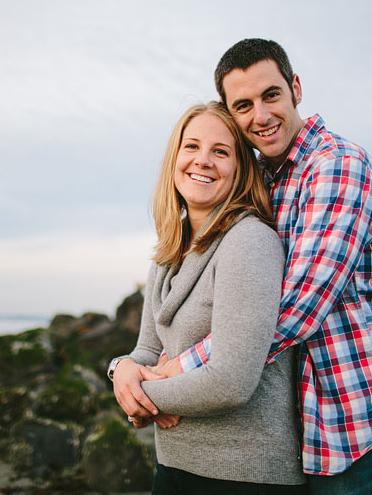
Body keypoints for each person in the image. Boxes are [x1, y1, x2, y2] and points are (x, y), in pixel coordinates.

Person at [113, 39, 372, 494]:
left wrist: (168, 374)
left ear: (295, 88)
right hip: (303, 434)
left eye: (271, 95)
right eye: (243, 104)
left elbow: (298, 304)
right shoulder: (262, 182)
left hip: (358, 423)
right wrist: (124, 368)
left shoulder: (336, 167)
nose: (260, 115)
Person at [109, 101, 307, 493]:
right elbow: (147, 350)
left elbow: (232, 381)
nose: (203, 161)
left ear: (240, 168)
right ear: (175, 158)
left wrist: (141, 394)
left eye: (221, 151)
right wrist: (120, 370)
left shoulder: (249, 241)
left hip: (245, 474)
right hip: (176, 465)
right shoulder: (171, 250)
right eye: (192, 146)